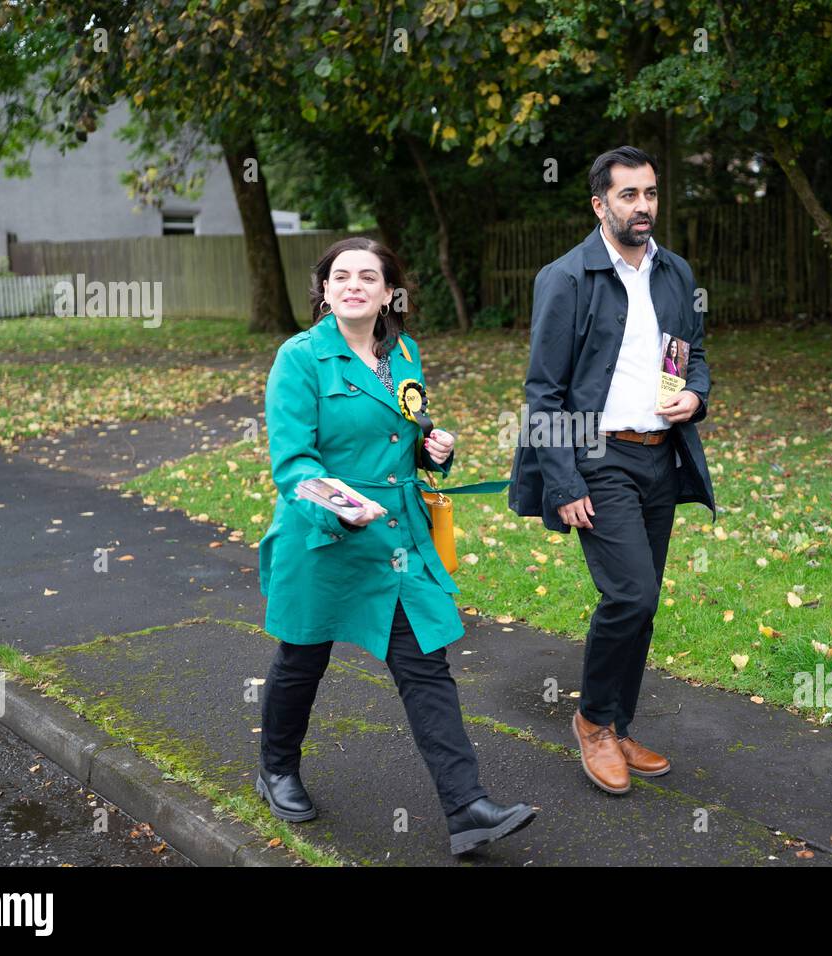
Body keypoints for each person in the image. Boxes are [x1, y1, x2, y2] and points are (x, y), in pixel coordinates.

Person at [257, 236, 535, 855]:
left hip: (397, 540)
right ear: (324, 290)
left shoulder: (404, 352)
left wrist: (433, 447)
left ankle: (468, 809)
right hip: (322, 535)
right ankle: (276, 768)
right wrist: (345, 506)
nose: (353, 284)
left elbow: (405, 432)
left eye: (368, 276)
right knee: (302, 661)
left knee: (425, 667)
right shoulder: (299, 358)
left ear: (388, 293)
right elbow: (293, 462)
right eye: (341, 276)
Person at [508, 145, 716, 795]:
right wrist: (564, 482)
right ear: (600, 205)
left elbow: (690, 353)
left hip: (660, 454)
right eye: (629, 195)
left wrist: (695, 394)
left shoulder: (675, 273)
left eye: (651, 193)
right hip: (597, 456)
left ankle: (620, 726)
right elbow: (544, 391)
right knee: (630, 594)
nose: (643, 206)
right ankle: (593, 722)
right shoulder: (566, 278)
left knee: (643, 605)